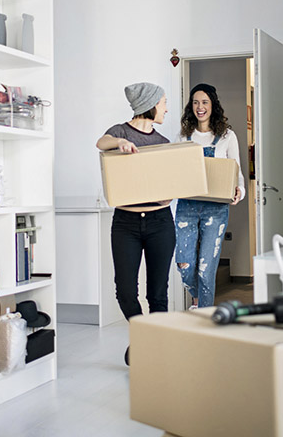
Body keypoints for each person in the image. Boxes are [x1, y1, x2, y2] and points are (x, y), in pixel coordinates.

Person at [96, 82, 176, 365]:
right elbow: (100, 143)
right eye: (164, 102)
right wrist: (120, 143)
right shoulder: (119, 132)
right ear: (151, 104)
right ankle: (144, 336)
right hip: (126, 223)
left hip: (160, 221)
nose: (166, 108)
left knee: (158, 292)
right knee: (126, 290)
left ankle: (153, 350)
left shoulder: (163, 143)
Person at [175, 83, 245, 309]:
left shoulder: (226, 136)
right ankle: (197, 299)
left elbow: (237, 174)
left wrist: (239, 191)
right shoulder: (183, 136)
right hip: (186, 206)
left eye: (204, 102)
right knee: (185, 264)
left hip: (215, 210)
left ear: (213, 105)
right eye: (195, 102)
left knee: (206, 270)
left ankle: (202, 314)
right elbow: (173, 172)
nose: (200, 107)